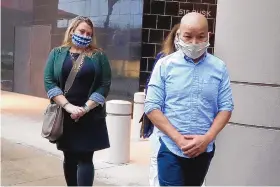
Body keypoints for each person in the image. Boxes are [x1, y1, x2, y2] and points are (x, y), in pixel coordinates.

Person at [144, 12, 234, 186]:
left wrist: (207, 138)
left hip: (203, 150)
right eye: (188, 36)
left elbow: (226, 108)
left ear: (209, 36)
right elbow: (152, 107)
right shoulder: (164, 65)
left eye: (200, 37)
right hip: (170, 147)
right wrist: (178, 138)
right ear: (178, 36)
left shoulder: (219, 68)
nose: (194, 43)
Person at [44, 16, 111, 186]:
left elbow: (104, 85)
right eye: (82, 31)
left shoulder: (98, 55)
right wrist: (68, 106)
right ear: (72, 30)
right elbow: (49, 81)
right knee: (69, 156)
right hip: (65, 114)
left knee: (86, 157)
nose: (85, 35)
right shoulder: (57, 53)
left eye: (89, 33)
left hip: (90, 114)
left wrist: (85, 108)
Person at [140, 23, 180, 187]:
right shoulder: (163, 59)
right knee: (157, 162)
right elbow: (151, 89)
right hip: (161, 122)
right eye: (180, 35)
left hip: (184, 124)